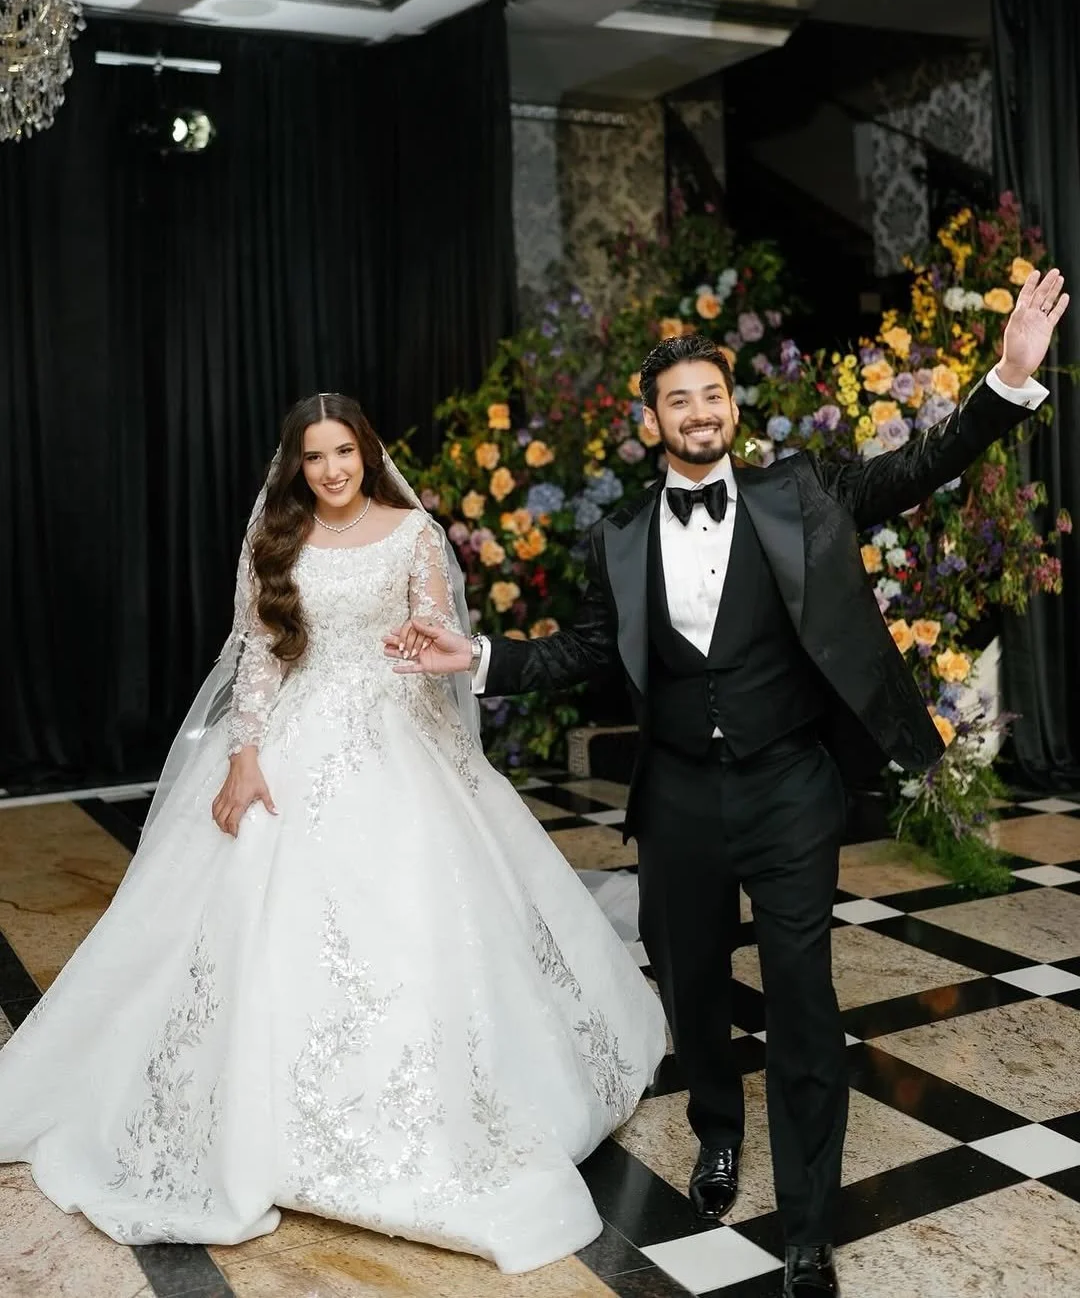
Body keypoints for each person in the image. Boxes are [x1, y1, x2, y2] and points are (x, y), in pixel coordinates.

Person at [386, 268, 1070, 1297]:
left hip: (792, 785)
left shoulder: (805, 492)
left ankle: (808, 1227)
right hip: (678, 797)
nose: (698, 412)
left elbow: (923, 465)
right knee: (694, 987)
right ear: (650, 419)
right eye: (678, 400)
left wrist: (1007, 381)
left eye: (712, 395)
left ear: (731, 408)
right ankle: (716, 1130)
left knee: (801, 997)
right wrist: (477, 660)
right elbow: (580, 651)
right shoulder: (615, 535)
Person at [0, 393, 666, 1274]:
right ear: (296, 465)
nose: (332, 470)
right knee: (243, 917)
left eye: (344, 452)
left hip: (397, 736)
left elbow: (437, 642)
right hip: (292, 739)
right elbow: (260, 658)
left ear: (368, 452)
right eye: (314, 457)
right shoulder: (276, 540)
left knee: (431, 914)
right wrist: (244, 756)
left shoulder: (413, 533)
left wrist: (424, 665)